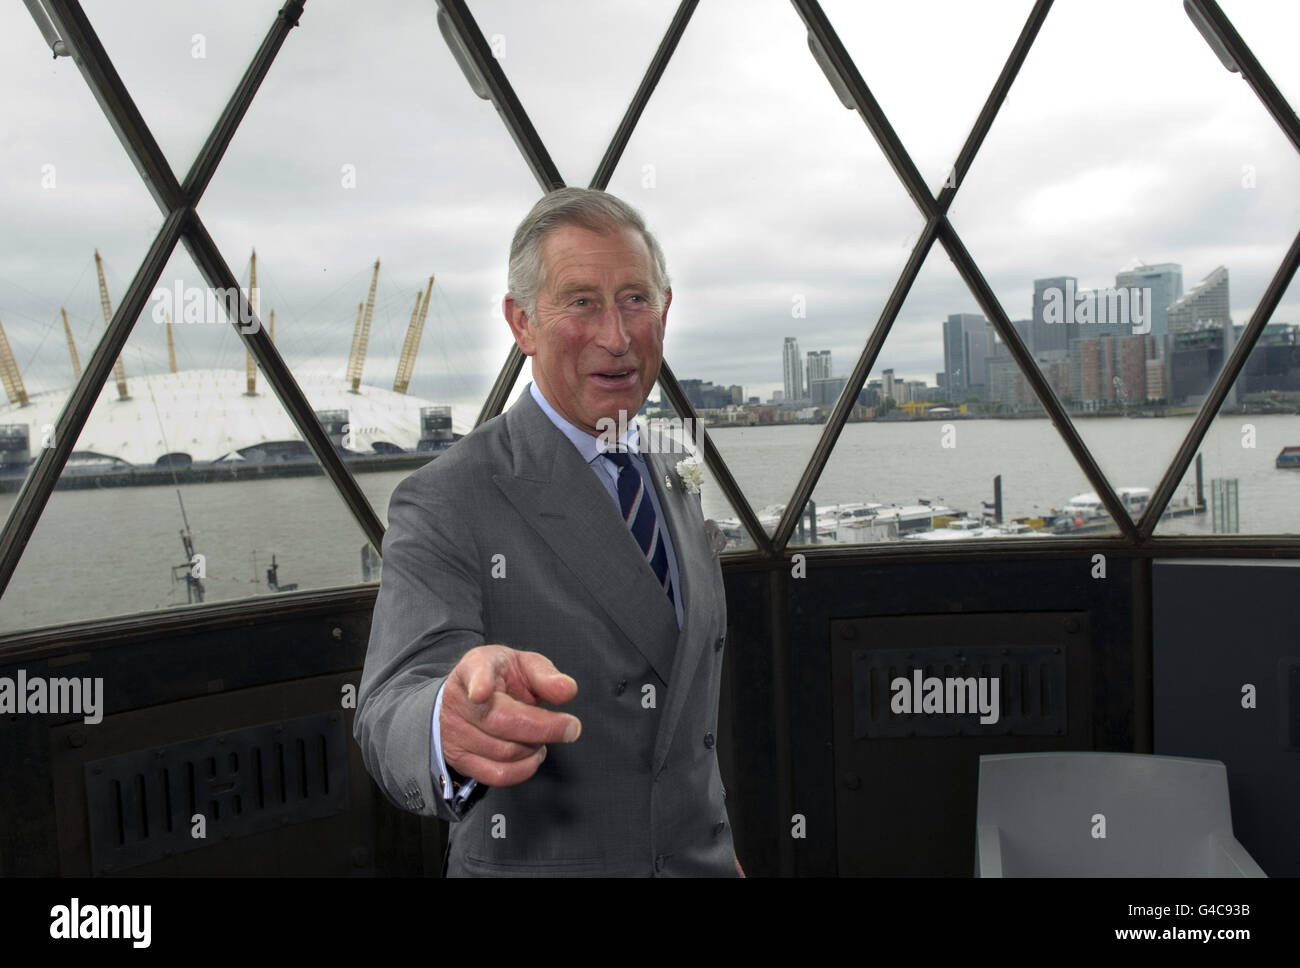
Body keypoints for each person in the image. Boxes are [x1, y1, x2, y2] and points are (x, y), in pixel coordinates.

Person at [354, 187, 741, 877]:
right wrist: (448, 720)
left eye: (634, 299)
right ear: (522, 322)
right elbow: (390, 708)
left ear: (665, 309)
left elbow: (686, 736)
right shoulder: (450, 498)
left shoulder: (672, 463)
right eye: (582, 301)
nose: (616, 337)